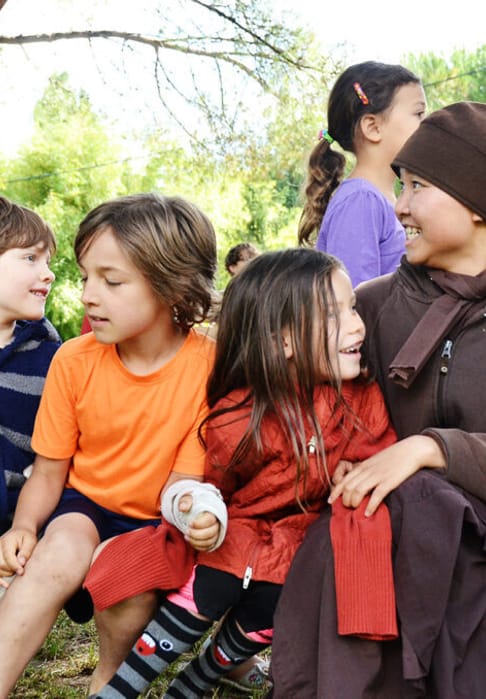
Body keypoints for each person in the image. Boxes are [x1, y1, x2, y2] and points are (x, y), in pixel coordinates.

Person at [92, 247, 397, 698]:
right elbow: (207, 485)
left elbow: (381, 453)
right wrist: (204, 512)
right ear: (283, 342)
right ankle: (122, 686)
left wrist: (363, 468)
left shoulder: (361, 400)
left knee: (274, 602)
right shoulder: (240, 416)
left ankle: (197, 680)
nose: (357, 324)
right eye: (335, 315)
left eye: (352, 307)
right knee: (212, 586)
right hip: (233, 536)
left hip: (302, 544)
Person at [270, 101, 486, 698]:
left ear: (475, 202)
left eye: (419, 187)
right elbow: (294, 396)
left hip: (471, 549)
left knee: (425, 500)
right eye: (401, 185)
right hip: (378, 541)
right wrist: (332, 452)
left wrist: (427, 449)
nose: (400, 206)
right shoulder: (368, 305)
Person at [0, 192, 222, 697]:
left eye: (111, 281)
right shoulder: (73, 361)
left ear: (171, 286)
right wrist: (23, 526)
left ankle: (109, 682)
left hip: (163, 518)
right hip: (85, 505)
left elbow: (185, 485)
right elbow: (50, 471)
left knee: (126, 575)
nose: (86, 296)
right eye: (84, 277)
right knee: (55, 553)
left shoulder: (210, 367)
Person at [298, 60, 427, 287]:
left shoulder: (383, 199)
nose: (427, 124)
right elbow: (354, 302)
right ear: (373, 127)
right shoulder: (360, 200)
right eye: (419, 114)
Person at [0, 196, 60, 534]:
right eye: (30, 258)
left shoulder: (52, 361)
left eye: (47, 261)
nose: (48, 274)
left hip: (18, 534)